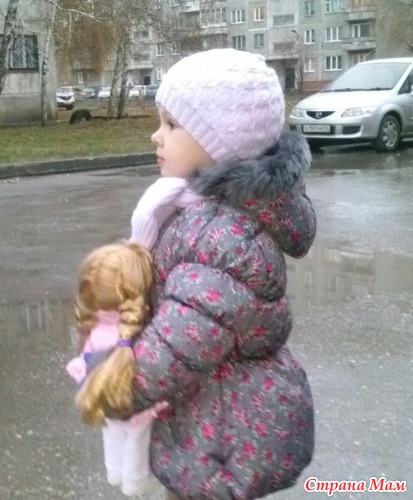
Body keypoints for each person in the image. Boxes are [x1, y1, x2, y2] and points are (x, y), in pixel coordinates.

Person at [112, 48, 317, 499]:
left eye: (171, 124)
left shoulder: (221, 235)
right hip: (208, 416)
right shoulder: (198, 210)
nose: (156, 135)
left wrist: (114, 387)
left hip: (218, 439)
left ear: (221, 144)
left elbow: (180, 343)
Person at [66, 241, 166, 497]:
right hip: (135, 405)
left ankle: (114, 470)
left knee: (110, 430)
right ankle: (134, 481)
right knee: (137, 438)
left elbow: (83, 361)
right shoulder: (140, 336)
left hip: (101, 395)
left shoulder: (94, 328)